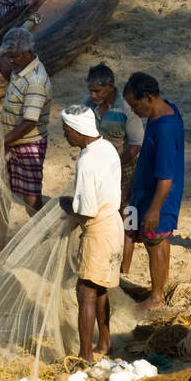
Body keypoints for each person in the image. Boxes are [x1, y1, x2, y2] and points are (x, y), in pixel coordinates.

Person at [58, 105, 123, 361]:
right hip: (114, 225)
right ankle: (105, 341)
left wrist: (66, 205)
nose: (65, 136)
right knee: (100, 287)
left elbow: (86, 210)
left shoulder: (86, 161)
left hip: (98, 231)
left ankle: (85, 355)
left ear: (77, 130)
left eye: (66, 131)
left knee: (85, 292)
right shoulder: (106, 147)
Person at [122, 73, 185, 310]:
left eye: (135, 105)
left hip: (159, 196)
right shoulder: (161, 112)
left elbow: (166, 176)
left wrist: (154, 209)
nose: (134, 110)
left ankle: (157, 296)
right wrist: (132, 184)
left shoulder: (165, 128)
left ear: (148, 98)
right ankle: (162, 287)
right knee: (158, 241)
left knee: (154, 241)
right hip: (148, 190)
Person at [81, 63, 144, 273]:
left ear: (110, 86)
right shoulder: (87, 104)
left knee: (126, 218)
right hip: (99, 171)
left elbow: (135, 146)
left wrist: (114, 166)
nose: (92, 95)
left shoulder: (126, 107)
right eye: (90, 90)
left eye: (97, 91)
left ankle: (123, 269)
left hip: (125, 170)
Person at [0, 26, 51, 211]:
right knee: (1, 187)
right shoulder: (22, 69)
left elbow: (30, 123)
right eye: (9, 56)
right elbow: (10, 75)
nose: (11, 60)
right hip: (11, 141)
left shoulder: (35, 81)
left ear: (28, 52)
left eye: (15, 56)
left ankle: (39, 232)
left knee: (30, 196)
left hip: (29, 144)